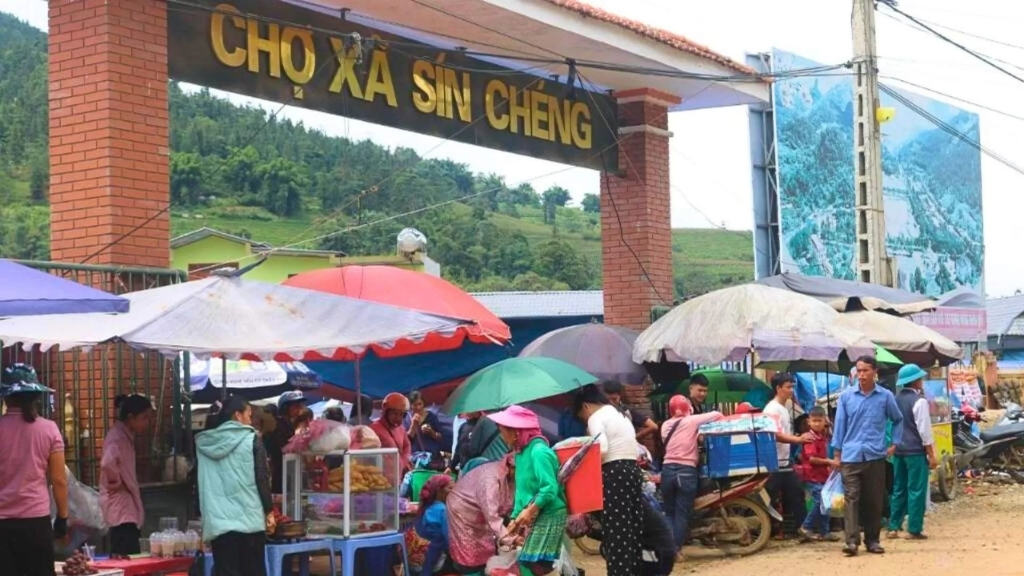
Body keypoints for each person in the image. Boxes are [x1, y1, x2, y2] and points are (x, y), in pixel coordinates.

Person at [832, 355, 904, 557]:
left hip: (875, 455)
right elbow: (840, 426)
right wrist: (837, 454)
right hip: (851, 456)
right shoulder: (846, 397)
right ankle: (851, 542)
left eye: (865, 371)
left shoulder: (885, 396)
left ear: (875, 373)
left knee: (873, 500)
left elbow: (898, 419)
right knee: (851, 498)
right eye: (859, 370)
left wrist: (894, 444)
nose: (861, 375)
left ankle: (872, 540)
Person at [0, 364, 68, 576]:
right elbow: (59, 480)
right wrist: (63, 518)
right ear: (36, 396)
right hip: (36, 524)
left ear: (6, 396)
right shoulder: (49, 429)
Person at [197, 395, 273, 576]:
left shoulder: (203, 443)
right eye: (248, 415)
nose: (250, 420)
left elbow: (198, 482)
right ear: (237, 416)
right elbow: (261, 477)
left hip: (219, 525)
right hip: (250, 522)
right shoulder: (251, 439)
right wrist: (269, 510)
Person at [574, 384, 642, 576]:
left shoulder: (596, 417)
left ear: (585, 406)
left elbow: (602, 448)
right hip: (632, 470)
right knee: (632, 529)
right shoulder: (619, 413)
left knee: (616, 534)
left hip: (614, 473)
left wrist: (584, 459)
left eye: (582, 416)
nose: (585, 420)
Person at [490, 406, 566, 576]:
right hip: (535, 514)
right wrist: (515, 518)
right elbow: (522, 491)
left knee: (534, 563)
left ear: (516, 432)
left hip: (550, 514)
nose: (501, 436)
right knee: (531, 563)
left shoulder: (539, 451)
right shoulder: (520, 453)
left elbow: (549, 488)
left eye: (502, 431)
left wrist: (530, 511)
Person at [659, 395, 723, 559]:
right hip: (686, 471)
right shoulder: (691, 421)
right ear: (688, 408)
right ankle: (676, 550)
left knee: (669, 512)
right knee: (682, 512)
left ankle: (667, 548)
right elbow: (716, 414)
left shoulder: (665, 425)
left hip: (667, 470)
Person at [888, 364, 938, 540]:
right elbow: (924, 430)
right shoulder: (919, 401)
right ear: (916, 381)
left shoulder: (894, 399)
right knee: (916, 489)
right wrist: (931, 454)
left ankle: (893, 526)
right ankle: (914, 528)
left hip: (898, 451)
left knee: (899, 488)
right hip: (915, 451)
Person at [100, 394, 153, 557]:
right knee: (126, 556)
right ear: (131, 418)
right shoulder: (118, 437)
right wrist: (116, 482)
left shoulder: (124, 436)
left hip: (124, 505)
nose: (147, 422)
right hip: (121, 506)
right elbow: (107, 463)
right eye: (144, 417)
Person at [761, 373, 813, 540]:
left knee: (795, 494)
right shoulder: (772, 409)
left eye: (792, 387)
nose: (792, 390)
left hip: (783, 461)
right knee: (770, 497)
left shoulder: (783, 408)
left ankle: (803, 529)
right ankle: (764, 531)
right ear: (778, 388)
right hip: (774, 461)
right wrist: (798, 439)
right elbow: (774, 434)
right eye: (788, 387)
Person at [446, 455, 515, 573]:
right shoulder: (490, 479)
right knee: (469, 552)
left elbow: (506, 506)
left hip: (480, 511)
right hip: (462, 511)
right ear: (511, 467)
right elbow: (492, 517)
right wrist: (511, 539)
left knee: (485, 548)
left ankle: (481, 569)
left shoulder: (509, 477)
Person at [795, 406, 840, 542]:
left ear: (825, 421)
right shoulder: (810, 438)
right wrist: (829, 461)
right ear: (809, 421)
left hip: (822, 475)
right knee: (820, 500)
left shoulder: (822, 436)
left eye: (819, 420)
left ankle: (825, 532)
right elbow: (812, 459)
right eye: (814, 421)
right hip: (812, 475)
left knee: (826, 502)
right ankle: (806, 527)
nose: (817, 424)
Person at [265, 390, 308, 493]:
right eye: (296, 406)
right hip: (281, 473)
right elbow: (283, 448)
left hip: (287, 472)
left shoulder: (287, 423)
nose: (299, 409)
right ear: (285, 408)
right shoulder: (280, 424)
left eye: (300, 406)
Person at [415, 474, 455, 576]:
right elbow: (449, 541)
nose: (454, 492)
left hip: (417, 560)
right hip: (435, 562)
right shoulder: (442, 510)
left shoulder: (425, 506)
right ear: (439, 490)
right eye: (450, 488)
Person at [371, 393, 413, 474]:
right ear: (386, 412)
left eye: (401, 414)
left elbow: (407, 445)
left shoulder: (401, 429)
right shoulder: (374, 429)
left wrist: (403, 462)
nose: (398, 418)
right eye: (394, 414)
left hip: (398, 477)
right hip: (381, 477)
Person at [407, 391, 445, 469]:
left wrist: (431, 432)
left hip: (432, 458)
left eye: (420, 404)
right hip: (416, 459)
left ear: (424, 404)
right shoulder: (407, 418)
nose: (418, 407)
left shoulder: (431, 416)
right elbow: (407, 440)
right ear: (410, 406)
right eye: (414, 405)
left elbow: (440, 436)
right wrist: (413, 425)